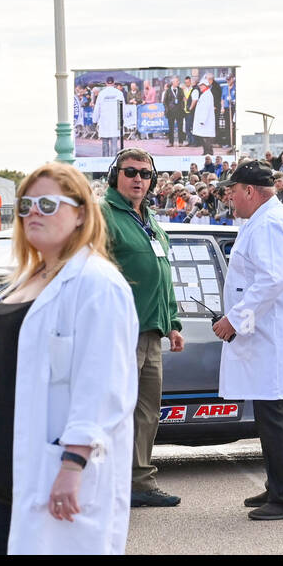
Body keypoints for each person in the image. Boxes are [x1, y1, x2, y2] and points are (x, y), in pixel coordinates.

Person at [0, 162, 137, 554]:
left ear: (80, 215)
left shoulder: (96, 284)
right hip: (4, 469)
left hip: (53, 469)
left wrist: (74, 462)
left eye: (46, 203)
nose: (32, 212)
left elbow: (103, 383)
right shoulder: (29, 277)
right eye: (25, 205)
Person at [211, 161, 283, 520]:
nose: (229, 196)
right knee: (272, 419)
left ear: (249, 191)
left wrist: (235, 318)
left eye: (233, 190)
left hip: (276, 342)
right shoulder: (262, 220)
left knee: (279, 421)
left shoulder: (271, 222)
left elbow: (272, 280)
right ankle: (279, 485)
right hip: (269, 341)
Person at [100, 149, 187, 508]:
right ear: (114, 175)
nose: (139, 179)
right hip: (119, 334)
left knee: (147, 411)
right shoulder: (103, 215)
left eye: (146, 174)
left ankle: (139, 483)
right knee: (114, 410)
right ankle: (105, 483)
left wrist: (173, 322)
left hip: (151, 332)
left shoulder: (147, 217)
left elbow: (162, 274)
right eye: (131, 172)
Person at [92, 78, 126, 156]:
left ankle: (105, 163)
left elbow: (97, 108)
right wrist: (123, 120)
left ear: (106, 83)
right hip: (115, 122)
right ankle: (113, 163)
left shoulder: (102, 94)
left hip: (104, 122)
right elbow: (123, 108)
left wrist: (94, 120)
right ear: (114, 83)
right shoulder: (119, 93)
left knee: (105, 145)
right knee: (114, 146)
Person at [192, 73, 219, 155]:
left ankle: (208, 152)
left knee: (206, 138)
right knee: (204, 137)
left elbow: (206, 109)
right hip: (204, 121)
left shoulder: (207, 95)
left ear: (205, 86)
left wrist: (202, 120)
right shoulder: (205, 94)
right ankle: (206, 152)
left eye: (201, 86)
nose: (200, 87)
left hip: (205, 121)